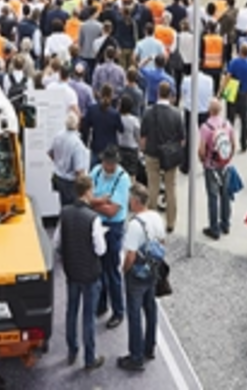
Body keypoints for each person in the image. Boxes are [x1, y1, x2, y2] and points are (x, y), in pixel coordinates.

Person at [53, 174, 107, 371]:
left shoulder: (65, 213)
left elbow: (57, 243)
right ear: (88, 192)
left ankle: (72, 350)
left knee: (71, 311)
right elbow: (100, 249)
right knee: (88, 317)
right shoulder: (93, 218)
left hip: (72, 271)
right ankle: (89, 358)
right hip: (90, 274)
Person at [118, 182, 165, 373]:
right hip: (152, 271)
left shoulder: (135, 225)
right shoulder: (156, 217)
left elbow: (130, 256)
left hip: (137, 275)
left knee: (135, 314)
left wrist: (124, 270)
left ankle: (136, 357)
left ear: (136, 202)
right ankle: (149, 347)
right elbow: (162, 242)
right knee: (151, 309)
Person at [89, 146, 131, 331]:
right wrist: (102, 201)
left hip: (113, 228)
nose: (108, 167)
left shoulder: (123, 179)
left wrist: (93, 203)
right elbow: (88, 197)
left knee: (112, 271)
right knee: (98, 268)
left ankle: (118, 311)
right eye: (106, 163)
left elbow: (113, 210)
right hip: (98, 225)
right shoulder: (96, 171)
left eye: (111, 164)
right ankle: (101, 304)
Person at [140, 82, 184, 234]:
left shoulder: (148, 112)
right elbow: (182, 140)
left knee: (153, 187)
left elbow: (143, 137)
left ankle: (152, 219)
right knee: (170, 188)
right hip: (170, 156)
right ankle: (170, 222)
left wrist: (143, 150)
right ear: (170, 95)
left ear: (158, 93)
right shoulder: (176, 114)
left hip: (152, 153)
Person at [199, 98, 236, 240]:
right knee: (225, 195)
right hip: (225, 165)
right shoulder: (227, 124)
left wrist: (204, 161)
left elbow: (202, 150)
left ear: (209, 110)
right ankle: (225, 224)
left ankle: (214, 228)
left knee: (213, 197)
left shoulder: (206, 127)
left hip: (211, 166)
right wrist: (227, 159)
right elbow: (233, 145)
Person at [224, 42, 247, 153]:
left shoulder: (233, 63)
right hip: (244, 93)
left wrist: (222, 91)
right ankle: (244, 143)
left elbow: (228, 77)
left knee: (230, 119)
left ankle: (228, 142)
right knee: (244, 120)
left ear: (240, 51)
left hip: (232, 92)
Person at [48, 112, 90, 206]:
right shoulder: (77, 143)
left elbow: (50, 152)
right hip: (70, 182)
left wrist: (58, 162)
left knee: (63, 206)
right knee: (72, 209)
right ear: (77, 124)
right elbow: (79, 170)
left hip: (59, 177)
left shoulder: (58, 136)